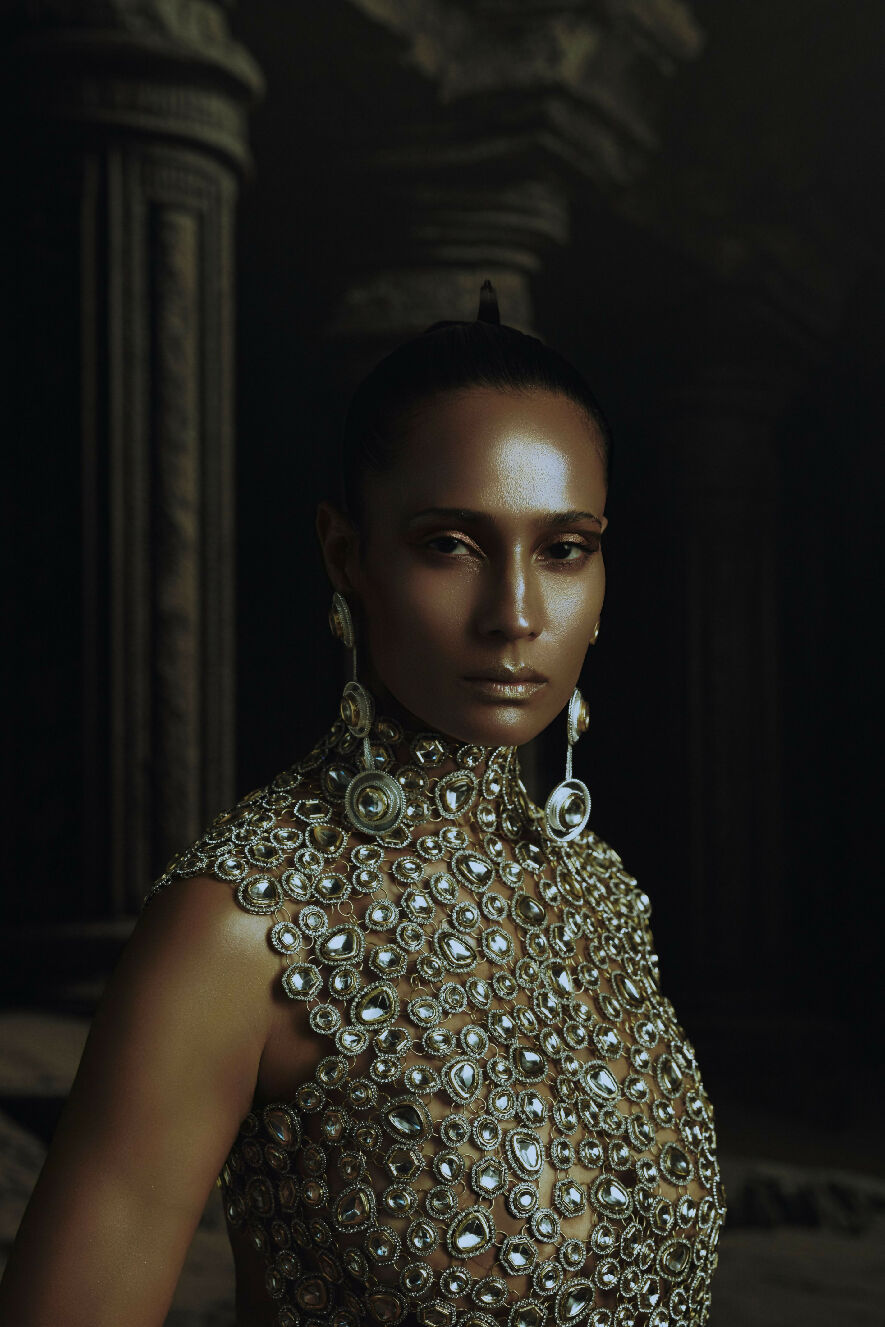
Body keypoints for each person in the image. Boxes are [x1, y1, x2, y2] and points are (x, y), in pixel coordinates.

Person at [0, 282, 725, 1327]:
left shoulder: (596, 890)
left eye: (563, 547)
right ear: (349, 556)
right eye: (451, 543)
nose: (515, 613)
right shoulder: (237, 928)